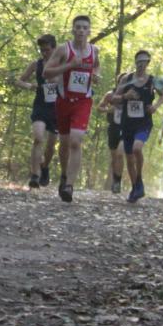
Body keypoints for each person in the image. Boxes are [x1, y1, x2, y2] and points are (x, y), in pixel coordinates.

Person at [41, 15, 100, 202]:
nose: (81, 31)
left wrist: (96, 75)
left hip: (83, 101)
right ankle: (64, 175)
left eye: (85, 28)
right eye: (78, 27)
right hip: (63, 101)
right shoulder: (63, 50)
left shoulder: (94, 50)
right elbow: (46, 72)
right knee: (65, 143)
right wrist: (68, 66)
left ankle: (69, 186)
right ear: (73, 30)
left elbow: (96, 67)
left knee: (76, 140)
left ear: (89, 31)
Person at [105, 50, 157, 202]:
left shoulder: (152, 81)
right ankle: (136, 188)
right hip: (127, 124)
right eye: (138, 61)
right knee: (128, 158)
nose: (141, 64)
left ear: (148, 63)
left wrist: (156, 106)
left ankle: (139, 179)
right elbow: (113, 98)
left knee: (137, 148)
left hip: (144, 123)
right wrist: (124, 97)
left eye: (144, 61)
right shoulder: (127, 79)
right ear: (135, 62)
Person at [13, 34, 60, 188]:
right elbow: (19, 81)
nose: (44, 53)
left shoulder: (62, 64)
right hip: (40, 105)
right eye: (42, 50)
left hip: (57, 107)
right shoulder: (36, 64)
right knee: (38, 138)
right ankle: (35, 175)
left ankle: (44, 167)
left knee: (51, 145)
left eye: (47, 50)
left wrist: (59, 81)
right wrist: (29, 86)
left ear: (54, 48)